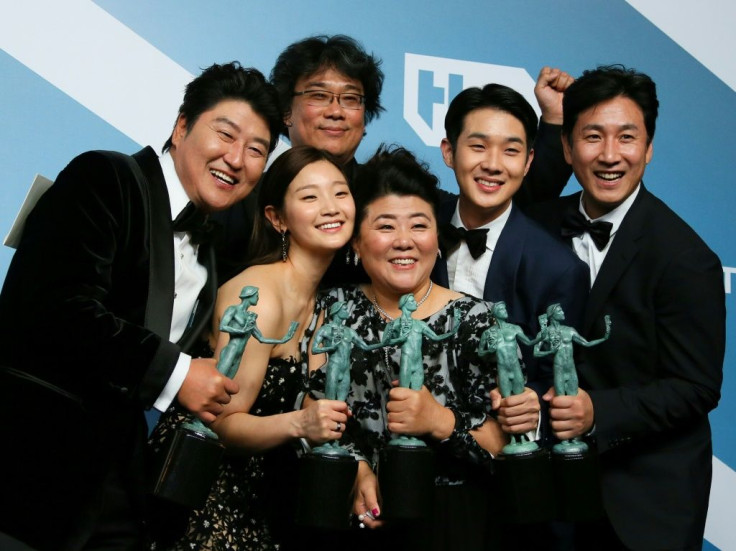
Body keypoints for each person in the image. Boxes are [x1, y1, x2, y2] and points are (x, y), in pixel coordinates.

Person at [0, 61, 282, 550]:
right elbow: (59, 308)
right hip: (29, 470)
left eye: (256, 150)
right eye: (225, 134)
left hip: (115, 489)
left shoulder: (211, 247)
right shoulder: (105, 177)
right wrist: (180, 374)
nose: (236, 159)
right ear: (181, 126)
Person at [528, 65, 725, 550]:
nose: (610, 155)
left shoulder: (685, 257)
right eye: (592, 137)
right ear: (569, 148)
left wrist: (598, 410)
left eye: (627, 137)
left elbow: (695, 387)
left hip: (641, 506)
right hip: (540, 495)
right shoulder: (537, 226)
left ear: (650, 148)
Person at [308, 146, 533, 551]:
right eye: (385, 226)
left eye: (419, 225)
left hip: (455, 523)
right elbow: (310, 406)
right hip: (349, 515)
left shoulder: (477, 320)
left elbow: (506, 447)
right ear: (356, 242)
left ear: (436, 236)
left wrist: (439, 420)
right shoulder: (332, 309)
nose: (404, 241)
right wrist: (356, 469)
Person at [148, 145, 355, 550]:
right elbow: (221, 422)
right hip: (198, 490)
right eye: (310, 197)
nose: (330, 207)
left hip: (259, 496)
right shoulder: (258, 294)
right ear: (277, 219)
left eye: (340, 192)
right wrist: (300, 423)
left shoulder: (327, 304)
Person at [432, 82, 589, 447]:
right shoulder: (415, 230)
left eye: (511, 150)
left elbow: (558, 380)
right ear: (449, 152)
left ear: (529, 161)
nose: (492, 164)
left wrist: (532, 402)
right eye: (478, 146)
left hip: (498, 461)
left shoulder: (558, 269)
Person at [213, 34, 385, 282]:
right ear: (286, 112)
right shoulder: (244, 198)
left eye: (350, 99)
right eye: (318, 95)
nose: (336, 111)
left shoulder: (383, 196)